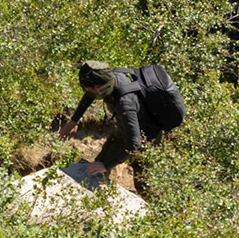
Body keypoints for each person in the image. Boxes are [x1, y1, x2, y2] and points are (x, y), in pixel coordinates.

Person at [59, 60, 187, 178]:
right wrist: (73, 121)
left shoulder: (125, 103)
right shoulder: (110, 76)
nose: (88, 92)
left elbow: (135, 143)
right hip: (124, 130)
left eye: (90, 89)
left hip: (147, 137)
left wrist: (106, 166)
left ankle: (152, 201)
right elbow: (89, 95)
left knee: (143, 180)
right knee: (99, 164)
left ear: (99, 87)